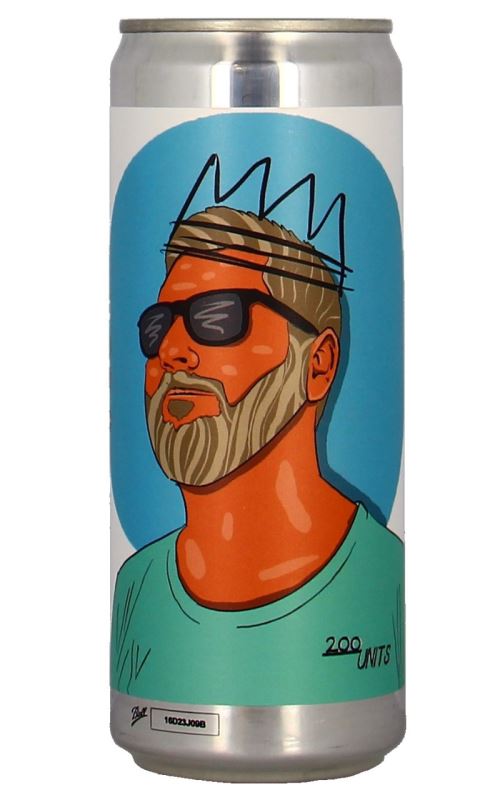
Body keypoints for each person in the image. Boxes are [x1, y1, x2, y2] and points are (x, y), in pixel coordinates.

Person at [111, 206, 404, 705]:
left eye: (218, 317)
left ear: (318, 364)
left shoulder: (385, 577)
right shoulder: (137, 591)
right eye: (156, 328)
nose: (171, 350)